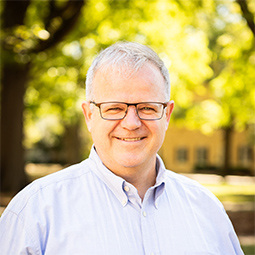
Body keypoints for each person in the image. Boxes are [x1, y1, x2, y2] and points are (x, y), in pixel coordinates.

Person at [0, 42, 243, 255]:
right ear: (89, 115)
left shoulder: (206, 208)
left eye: (147, 108)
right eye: (114, 108)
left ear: (166, 114)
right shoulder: (34, 213)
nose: (131, 123)